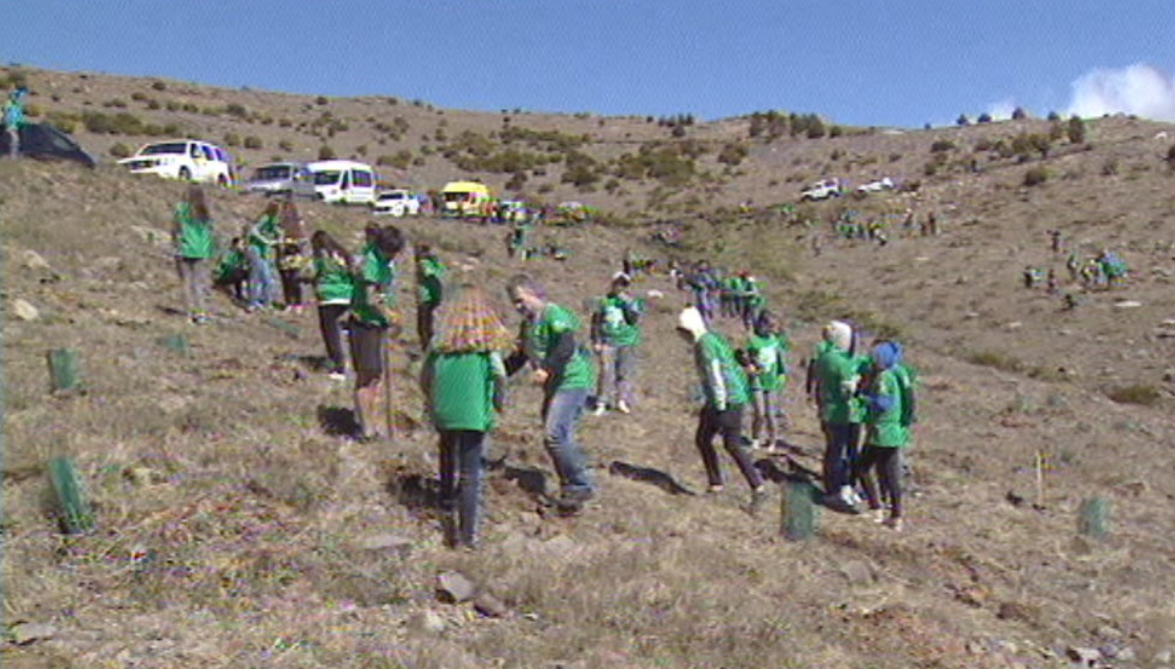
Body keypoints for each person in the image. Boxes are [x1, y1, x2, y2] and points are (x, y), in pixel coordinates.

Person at [421, 286, 512, 549]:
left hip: (445, 409)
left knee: (447, 453)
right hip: (474, 412)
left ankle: (446, 502)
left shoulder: (439, 344)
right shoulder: (486, 348)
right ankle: (467, 536)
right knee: (471, 473)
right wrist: (498, 402)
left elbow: (425, 375)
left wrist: (430, 399)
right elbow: (500, 375)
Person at [504, 274, 596, 512]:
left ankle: (580, 484)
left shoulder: (553, 314)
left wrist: (546, 368)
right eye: (514, 303)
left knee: (554, 435)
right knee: (558, 438)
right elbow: (519, 357)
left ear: (535, 294)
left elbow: (565, 346)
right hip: (554, 386)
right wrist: (496, 375)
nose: (518, 307)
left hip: (572, 380)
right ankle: (569, 487)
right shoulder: (527, 326)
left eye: (521, 300)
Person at [676, 306, 767, 509]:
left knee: (731, 444)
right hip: (726, 398)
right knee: (703, 439)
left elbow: (714, 373)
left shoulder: (705, 344)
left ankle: (757, 487)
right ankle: (716, 484)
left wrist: (718, 403)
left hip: (727, 400)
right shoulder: (711, 338)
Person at [350, 224, 406, 440]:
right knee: (366, 376)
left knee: (375, 377)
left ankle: (372, 423)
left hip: (377, 326)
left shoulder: (385, 262)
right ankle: (366, 430)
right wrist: (388, 316)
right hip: (365, 325)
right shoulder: (370, 262)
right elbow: (370, 298)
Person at [854, 341, 914, 530]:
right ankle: (895, 516)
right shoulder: (897, 374)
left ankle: (876, 508)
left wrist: (860, 396)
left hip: (881, 432)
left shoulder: (883, 378)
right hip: (892, 431)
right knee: (890, 475)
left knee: (863, 467)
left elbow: (883, 404)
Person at [813, 320, 867, 510]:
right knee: (842, 451)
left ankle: (838, 486)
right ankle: (839, 488)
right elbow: (847, 391)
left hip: (830, 411)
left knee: (835, 451)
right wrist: (859, 381)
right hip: (843, 413)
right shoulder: (839, 361)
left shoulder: (824, 357)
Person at [590, 272, 643, 416]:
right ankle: (601, 401)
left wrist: (627, 304)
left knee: (624, 372)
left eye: (624, 284)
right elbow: (595, 322)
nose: (620, 287)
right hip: (608, 341)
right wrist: (596, 341)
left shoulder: (631, 302)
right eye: (618, 284)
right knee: (606, 371)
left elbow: (634, 319)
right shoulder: (604, 301)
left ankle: (621, 400)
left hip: (627, 341)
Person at [309, 230, 354, 381]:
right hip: (346, 295)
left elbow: (313, 273)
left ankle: (338, 365)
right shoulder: (343, 255)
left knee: (330, 333)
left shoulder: (321, 257)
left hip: (328, 297)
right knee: (339, 328)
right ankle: (346, 359)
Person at [743, 310, 788, 451]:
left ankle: (772, 441)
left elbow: (781, 359)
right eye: (770, 326)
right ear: (762, 324)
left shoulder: (775, 340)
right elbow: (745, 357)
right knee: (759, 413)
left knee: (770, 414)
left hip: (771, 381)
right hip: (757, 380)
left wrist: (782, 374)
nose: (772, 329)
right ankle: (755, 438)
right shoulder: (753, 340)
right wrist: (750, 365)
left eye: (774, 326)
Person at [171, 184, 215, 324]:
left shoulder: (181, 209)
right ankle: (201, 313)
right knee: (198, 283)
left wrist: (175, 243)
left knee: (186, 283)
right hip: (201, 250)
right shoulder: (205, 211)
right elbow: (210, 232)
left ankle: (188, 314)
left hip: (184, 248)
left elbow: (175, 228)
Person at [245, 201, 281, 311]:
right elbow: (253, 230)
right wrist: (264, 240)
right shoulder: (264, 218)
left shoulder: (274, 220)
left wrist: (279, 238)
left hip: (265, 252)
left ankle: (266, 302)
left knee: (267, 278)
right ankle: (252, 303)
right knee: (255, 276)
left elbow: (277, 231)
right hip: (255, 249)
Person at [276, 198, 309, 313]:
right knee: (286, 280)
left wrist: (293, 242)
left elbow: (304, 240)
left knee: (294, 280)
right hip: (284, 255)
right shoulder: (280, 224)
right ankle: (288, 302)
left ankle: (298, 303)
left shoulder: (298, 223)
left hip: (295, 256)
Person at [414, 244, 447, 350]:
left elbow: (429, 273)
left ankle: (427, 347)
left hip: (426, 297)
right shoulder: (435, 264)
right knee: (428, 324)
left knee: (424, 325)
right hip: (433, 296)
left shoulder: (424, 263)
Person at [213, 236, 249, 303]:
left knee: (246, 273)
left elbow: (245, 262)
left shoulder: (240, 254)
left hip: (235, 273)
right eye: (240, 244)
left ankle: (242, 294)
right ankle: (223, 285)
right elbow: (224, 264)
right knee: (238, 272)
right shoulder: (228, 252)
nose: (242, 246)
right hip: (225, 275)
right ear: (234, 244)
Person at [3, 86, 27, 159]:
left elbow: (19, 114)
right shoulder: (9, 103)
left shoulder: (16, 104)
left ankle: (13, 155)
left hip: (15, 124)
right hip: (10, 124)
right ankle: (12, 155)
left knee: (15, 140)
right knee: (14, 139)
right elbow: (6, 112)